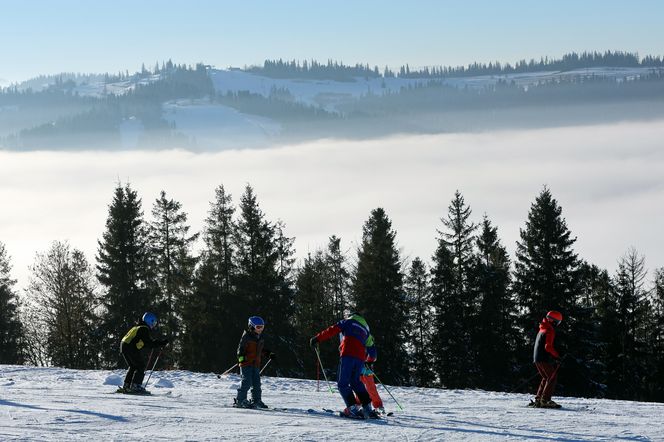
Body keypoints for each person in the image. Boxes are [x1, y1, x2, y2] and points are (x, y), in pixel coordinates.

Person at [310, 311, 379, 419]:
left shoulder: (348, 322)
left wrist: (317, 338)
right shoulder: (365, 330)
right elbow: (372, 350)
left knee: (342, 383)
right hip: (360, 359)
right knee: (356, 382)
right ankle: (368, 408)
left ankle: (352, 409)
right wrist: (369, 361)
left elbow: (332, 330)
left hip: (348, 354)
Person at [119, 312, 168, 393]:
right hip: (130, 347)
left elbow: (143, 343)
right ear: (150, 321)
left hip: (124, 346)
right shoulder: (144, 328)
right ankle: (136, 386)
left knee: (133, 366)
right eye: (154, 322)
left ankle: (126, 385)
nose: (154, 325)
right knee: (140, 366)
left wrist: (156, 343)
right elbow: (148, 343)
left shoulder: (137, 327)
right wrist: (160, 343)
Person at [234, 316, 275, 409]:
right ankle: (240, 400)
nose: (261, 330)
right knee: (246, 382)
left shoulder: (260, 338)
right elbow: (240, 350)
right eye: (258, 327)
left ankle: (256, 400)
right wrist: (242, 359)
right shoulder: (246, 337)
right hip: (246, 364)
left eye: (262, 327)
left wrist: (269, 354)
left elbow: (261, 350)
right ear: (251, 327)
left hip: (256, 364)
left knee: (256, 383)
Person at [531, 310, 563, 408]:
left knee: (546, 377)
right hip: (543, 358)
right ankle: (545, 400)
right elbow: (548, 347)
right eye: (557, 322)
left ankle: (538, 399)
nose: (557, 324)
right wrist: (557, 356)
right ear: (553, 321)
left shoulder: (542, 328)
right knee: (552, 377)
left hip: (537, 358)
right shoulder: (549, 330)